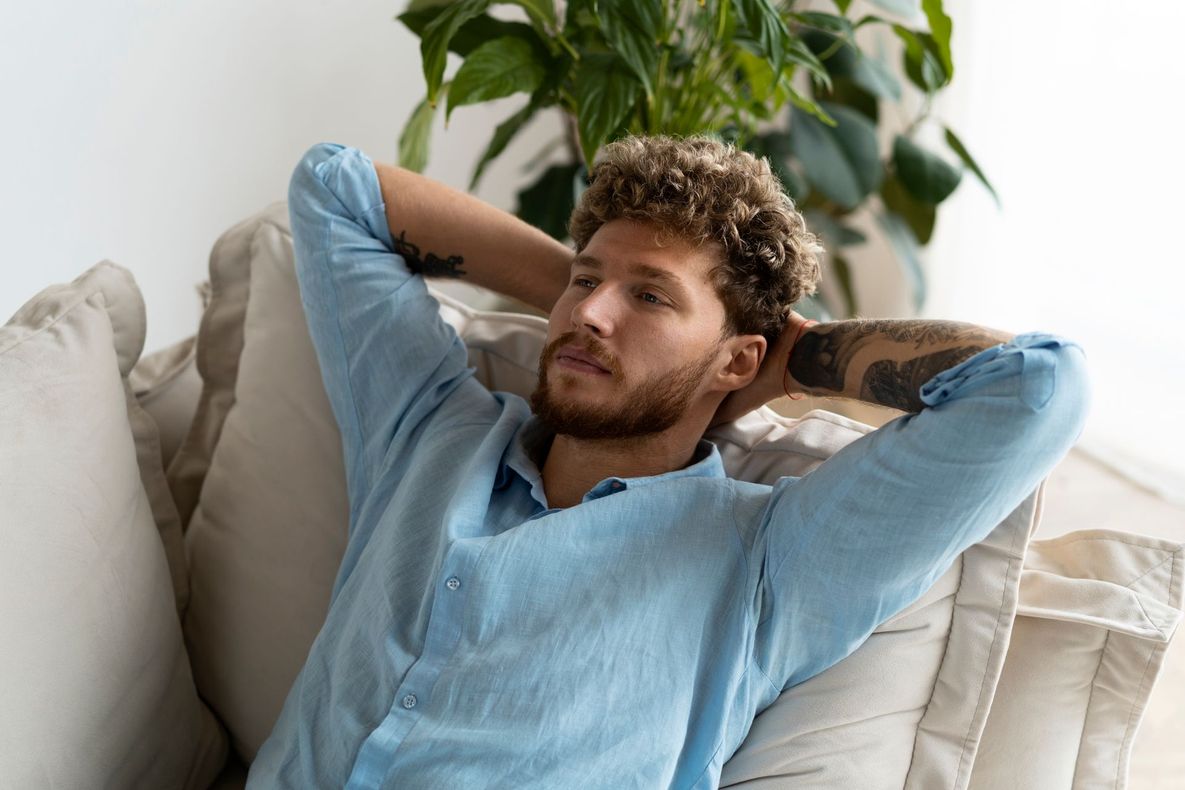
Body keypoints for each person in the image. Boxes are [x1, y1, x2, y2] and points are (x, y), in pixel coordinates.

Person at [246, 136, 1090, 789]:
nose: (589, 315)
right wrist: (587, 292)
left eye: (651, 295)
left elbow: (1037, 387)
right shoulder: (431, 427)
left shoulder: (769, 565)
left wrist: (793, 360)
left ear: (734, 362)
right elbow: (334, 185)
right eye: (585, 282)